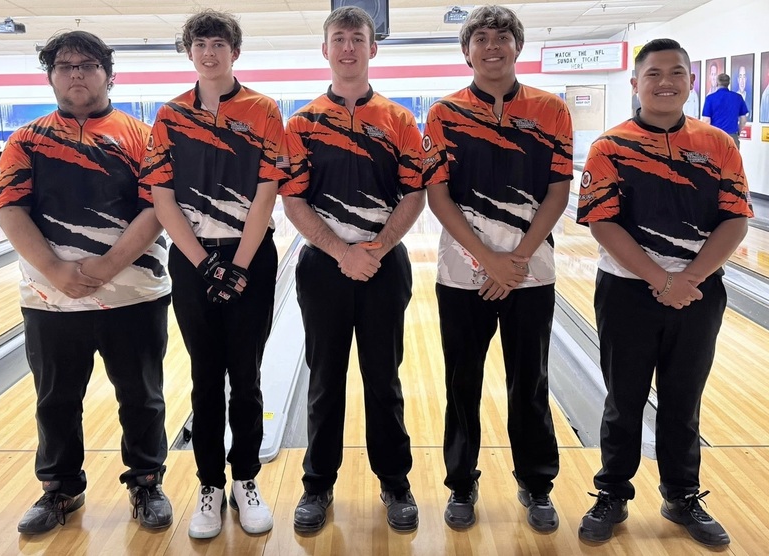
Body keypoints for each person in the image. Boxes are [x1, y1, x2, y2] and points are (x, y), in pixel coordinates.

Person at [0, 30, 173, 534]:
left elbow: (156, 208)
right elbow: (9, 209)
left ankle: (146, 481)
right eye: (65, 65)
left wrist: (106, 266)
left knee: (142, 396)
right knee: (56, 400)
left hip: (135, 293)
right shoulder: (25, 139)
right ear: (50, 75)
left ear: (108, 74)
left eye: (88, 65)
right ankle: (60, 490)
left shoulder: (141, 136)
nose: (77, 73)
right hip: (49, 300)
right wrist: (57, 272)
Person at [576, 38, 752, 547]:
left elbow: (735, 221)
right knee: (623, 398)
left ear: (691, 82)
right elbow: (603, 224)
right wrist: (662, 280)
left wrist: (689, 279)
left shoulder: (719, 145)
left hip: (699, 294)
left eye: (676, 72)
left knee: (683, 397)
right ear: (636, 84)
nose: (665, 81)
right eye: (654, 74)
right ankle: (612, 493)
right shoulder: (610, 146)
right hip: (628, 292)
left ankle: (681, 495)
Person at [422, 5, 572, 533]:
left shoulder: (551, 109)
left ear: (517, 46)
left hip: (532, 270)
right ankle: (461, 483)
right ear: (467, 51)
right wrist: (488, 259)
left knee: (529, 382)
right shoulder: (443, 113)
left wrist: (518, 259)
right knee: (462, 382)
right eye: (481, 38)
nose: (492, 46)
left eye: (502, 37)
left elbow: (558, 190)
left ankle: (536, 482)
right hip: (462, 274)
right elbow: (437, 194)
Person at [139, 10, 286, 539]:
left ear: (234, 52)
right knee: (205, 378)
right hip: (192, 257)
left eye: (218, 43)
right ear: (189, 53)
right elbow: (161, 195)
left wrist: (239, 266)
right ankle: (208, 484)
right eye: (199, 44)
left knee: (245, 376)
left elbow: (268, 190)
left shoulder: (264, 110)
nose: (209, 52)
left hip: (250, 256)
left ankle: (246, 479)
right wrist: (204, 263)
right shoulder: (169, 115)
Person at [281, 6, 425, 534]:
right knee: (325, 380)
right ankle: (317, 485)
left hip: (385, 265)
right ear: (325, 50)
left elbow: (416, 193)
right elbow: (293, 200)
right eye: (338, 38)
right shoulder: (300, 123)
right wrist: (342, 252)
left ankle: (396, 482)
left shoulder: (400, 119)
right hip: (323, 266)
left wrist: (378, 247)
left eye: (357, 38)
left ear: (372, 48)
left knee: (383, 379)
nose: (348, 47)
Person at [702, 73, 748, 149]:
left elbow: (706, 121)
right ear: (728, 83)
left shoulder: (710, 98)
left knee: (714, 160)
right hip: (732, 137)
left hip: (715, 138)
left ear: (717, 83)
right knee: (733, 160)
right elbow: (743, 119)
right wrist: (738, 131)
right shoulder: (738, 97)